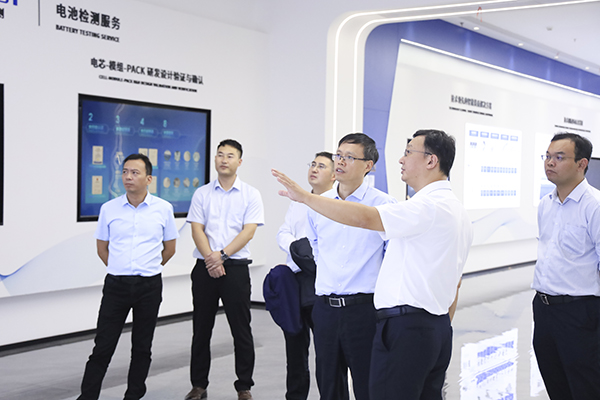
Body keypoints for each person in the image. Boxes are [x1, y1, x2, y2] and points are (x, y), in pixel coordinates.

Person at [272, 129, 473, 400]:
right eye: (338, 155)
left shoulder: (424, 207)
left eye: (408, 152)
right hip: (429, 323)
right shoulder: (453, 208)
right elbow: (455, 281)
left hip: (405, 324)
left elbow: (365, 218)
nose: (401, 159)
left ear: (430, 160)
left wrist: (306, 197)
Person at [78, 153, 179, 400]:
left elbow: (170, 249)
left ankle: (134, 395)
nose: (128, 177)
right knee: (103, 346)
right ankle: (88, 396)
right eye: (124, 172)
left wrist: (148, 267)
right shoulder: (109, 209)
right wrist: (121, 267)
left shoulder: (163, 209)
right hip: (116, 286)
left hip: (149, 286)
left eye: (134, 172)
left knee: (142, 347)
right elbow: (102, 248)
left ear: (149, 178)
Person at [303, 133, 396, 400]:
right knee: (329, 386)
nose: (341, 161)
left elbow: (391, 256)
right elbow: (316, 246)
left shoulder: (383, 205)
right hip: (325, 309)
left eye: (350, 157)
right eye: (339, 155)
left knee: (368, 385)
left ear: (368, 165)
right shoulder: (319, 204)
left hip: (364, 310)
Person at [185, 139, 264, 400]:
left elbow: (248, 231)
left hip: (236, 268)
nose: (224, 159)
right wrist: (211, 259)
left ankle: (244, 386)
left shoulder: (251, 194)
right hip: (204, 268)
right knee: (201, 329)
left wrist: (222, 255)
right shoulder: (202, 193)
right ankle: (198, 385)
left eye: (230, 156)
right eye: (220, 155)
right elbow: (197, 229)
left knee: (241, 329)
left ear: (239, 162)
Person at [532, 132, 600, 400]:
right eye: (547, 156)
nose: (550, 163)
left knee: (585, 386)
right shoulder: (545, 205)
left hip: (580, 312)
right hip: (544, 309)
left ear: (582, 163)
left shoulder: (594, 206)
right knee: (555, 383)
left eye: (559, 157)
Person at [276, 151, 336, 400]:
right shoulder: (297, 202)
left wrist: (309, 255)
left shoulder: (336, 204)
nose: (314, 169)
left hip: (322, 283)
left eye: (321, 166)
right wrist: (298, 249)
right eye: (313, 164)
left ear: (334, 175)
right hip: (295, 281)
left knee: (326, 353)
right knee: (294, 348)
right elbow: (283, 232)